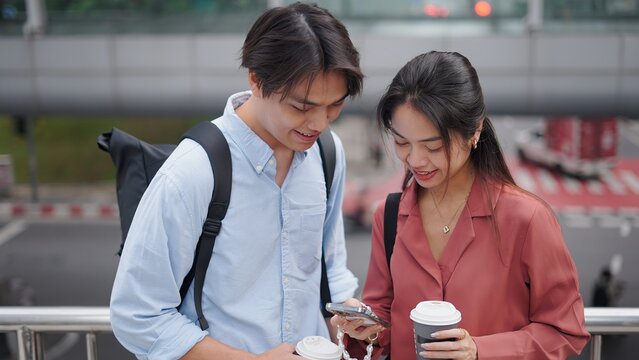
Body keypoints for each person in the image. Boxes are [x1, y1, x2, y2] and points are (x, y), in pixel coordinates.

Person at [110, 3, 363, 359]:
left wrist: (349, 316)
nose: (319, 123)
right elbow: (137, 315)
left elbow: (328, 268)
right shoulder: (194, 170)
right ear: (256, 80)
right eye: (302, 107)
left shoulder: (326, 153)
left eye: (334, 106)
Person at [332, 51, 590, 359]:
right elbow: (384, 322)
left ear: (475, 131)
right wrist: (365, 326)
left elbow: (565, 330)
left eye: (433, 146)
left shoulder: (527, 219)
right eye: (402, 142)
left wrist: (481, 350)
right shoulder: (387, 216)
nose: (415, 160)